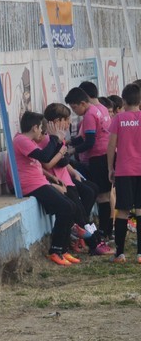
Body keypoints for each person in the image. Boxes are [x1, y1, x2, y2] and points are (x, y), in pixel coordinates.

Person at [40, 104, 109, 257]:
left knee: (83, 213)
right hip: (61, 183)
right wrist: (60, 148)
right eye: (66, 120)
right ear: (57, 121)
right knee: (79, 215)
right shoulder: (48, 140)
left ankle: (95, 241)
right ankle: (93, 244)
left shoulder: (59, 139)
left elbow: (64, 161)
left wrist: (73, 171)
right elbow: (50, 163)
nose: (69, 123)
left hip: (68, 181)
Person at [14, 111, 78, 266]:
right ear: (35, 127)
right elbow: (44, 157)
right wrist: (55, 138)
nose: (42, 133)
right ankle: (56, 250)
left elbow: (40, 162)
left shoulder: (27, 141)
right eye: (41, 129)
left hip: (39, 182)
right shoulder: (21, 140)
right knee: (65, 208)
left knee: (71, 206)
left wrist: (51, 178)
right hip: (30, 185)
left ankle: (63, 249)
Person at [66, 87, 113, 240]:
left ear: (82, 103)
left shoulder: (89, 115)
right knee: (106, 194)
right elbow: (85, 136)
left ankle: (104, 231)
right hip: (106, 154)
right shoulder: (100, 109)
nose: (74, 112)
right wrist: (69, 142)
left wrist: (72, 151)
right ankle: (107, 230)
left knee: (102, 196)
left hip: (98, 157)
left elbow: (89, 142)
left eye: (74, 108)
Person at [107, 82, 141, 262]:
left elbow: (111, 146)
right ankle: (140, 253)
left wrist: (110, 168)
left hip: (124, 170)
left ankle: (120, 253)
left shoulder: (119, 119)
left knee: (122, 210)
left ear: (124, 100)